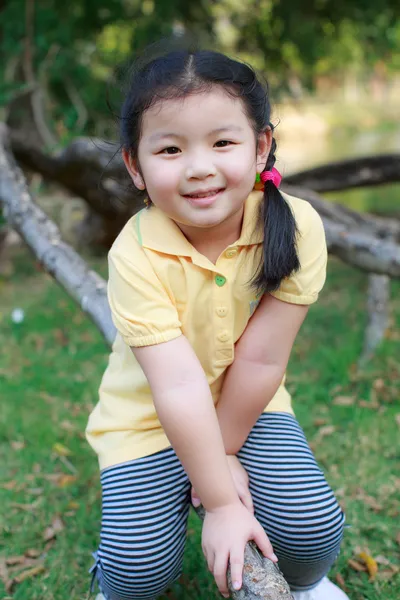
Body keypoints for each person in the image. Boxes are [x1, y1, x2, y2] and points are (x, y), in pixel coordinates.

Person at [86, 43, 349, 600]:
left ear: (261, 148)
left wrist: (224, 458)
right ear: (135, 165)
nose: (199, 167)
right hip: (149, 420)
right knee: (138, 574)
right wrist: (222, 501)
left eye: (222, 142)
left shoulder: (295, 227)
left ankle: (305, 585)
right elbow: (177, 386)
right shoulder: (134, 254)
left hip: (247, 402)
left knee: (311, 530)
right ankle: (111, 575)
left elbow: (262, 358)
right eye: (171, 148)